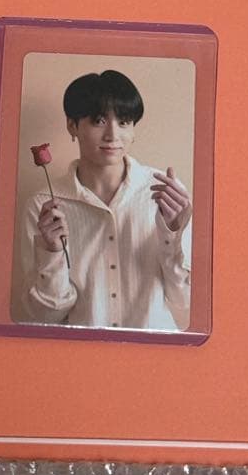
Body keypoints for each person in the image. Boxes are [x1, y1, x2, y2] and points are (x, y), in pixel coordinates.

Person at [18, 69, 191, 331]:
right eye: (99, 121)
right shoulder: (44, 206)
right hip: (82, 352)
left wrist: (173, 233)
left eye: (124, 122)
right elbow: (43, 316)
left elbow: (185, 299)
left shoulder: (164, 194)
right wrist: (51, 253)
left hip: (154, 350)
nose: (112, 135)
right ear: (72, 125)